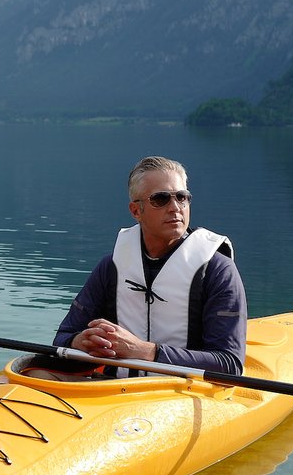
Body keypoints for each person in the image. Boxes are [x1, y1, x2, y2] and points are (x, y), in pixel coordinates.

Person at [27, 156, 246, 380]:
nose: (175, 208)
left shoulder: (218, 270)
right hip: (115, 390)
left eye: (182, 197)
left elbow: (229, 365)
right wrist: (80, 341)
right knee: (34, 374)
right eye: (161, 199)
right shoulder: (112, 267)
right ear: (136, 211)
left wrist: (145, 351)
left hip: (182, 395)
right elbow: (63, 338)